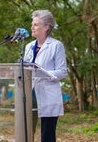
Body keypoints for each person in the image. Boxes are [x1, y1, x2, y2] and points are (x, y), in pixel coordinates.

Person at [24, 10, 67, 142]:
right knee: (26, 130)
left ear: (46, 27)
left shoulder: (56, 46)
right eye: (32, 24)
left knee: (47, 134)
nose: (32, 27)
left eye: (36, 24)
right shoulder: (28, 46)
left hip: (48, 94)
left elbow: (62, 71)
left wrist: (44, 73)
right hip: (29, 93)